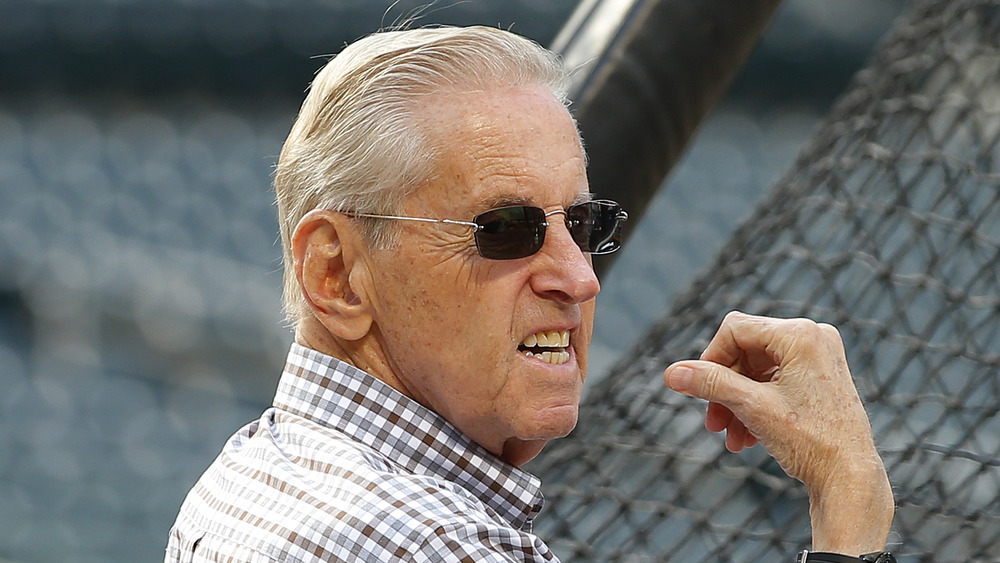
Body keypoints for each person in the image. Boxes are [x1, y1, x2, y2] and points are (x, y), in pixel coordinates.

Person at [165, 26, 894, 562]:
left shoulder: (248, 469)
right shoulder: (431, 542)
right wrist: (850, 506)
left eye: (582, 223)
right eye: (505, 227)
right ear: (335, 273)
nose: (578, 276)